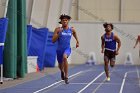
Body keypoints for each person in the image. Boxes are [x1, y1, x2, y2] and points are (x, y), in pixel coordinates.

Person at [52, 14, 79, 84]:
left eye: (66, 20)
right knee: (60, 65)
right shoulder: (58, 29)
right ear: (61, 21)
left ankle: (66, 76)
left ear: (68, 21)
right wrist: (59, 34)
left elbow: (75, 33)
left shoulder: (71, 29)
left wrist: (77, 41)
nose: (64, 21)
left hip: (67, 48)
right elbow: (53, 40)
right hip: (59, 50)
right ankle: (62, 71)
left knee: (65, 58)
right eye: (63, 20)